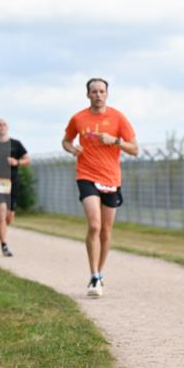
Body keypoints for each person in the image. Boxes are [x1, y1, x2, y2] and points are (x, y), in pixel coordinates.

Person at [62, 78, 138, 297]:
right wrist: (71, 149)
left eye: (101, 91)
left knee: (106, 230)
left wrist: (115, 140)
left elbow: (135, 149)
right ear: (87, 95)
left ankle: (100, 272)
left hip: (111, 179)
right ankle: (93, 275)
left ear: (107, 94)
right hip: (86, 175)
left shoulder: (118, 117)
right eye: (93, 91)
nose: (98, 95)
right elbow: (65, 140)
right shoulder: (78, 118)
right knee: (94, 225)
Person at [0, 119, 30, 257]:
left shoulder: (16, 144)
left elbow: (27, 159)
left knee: (9, 217)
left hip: (12, 182)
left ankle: (3, 224)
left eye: (3, 124)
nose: (1, 127)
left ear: (7, 127)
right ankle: (4, 245)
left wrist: (17, 162)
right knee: (1, 210)